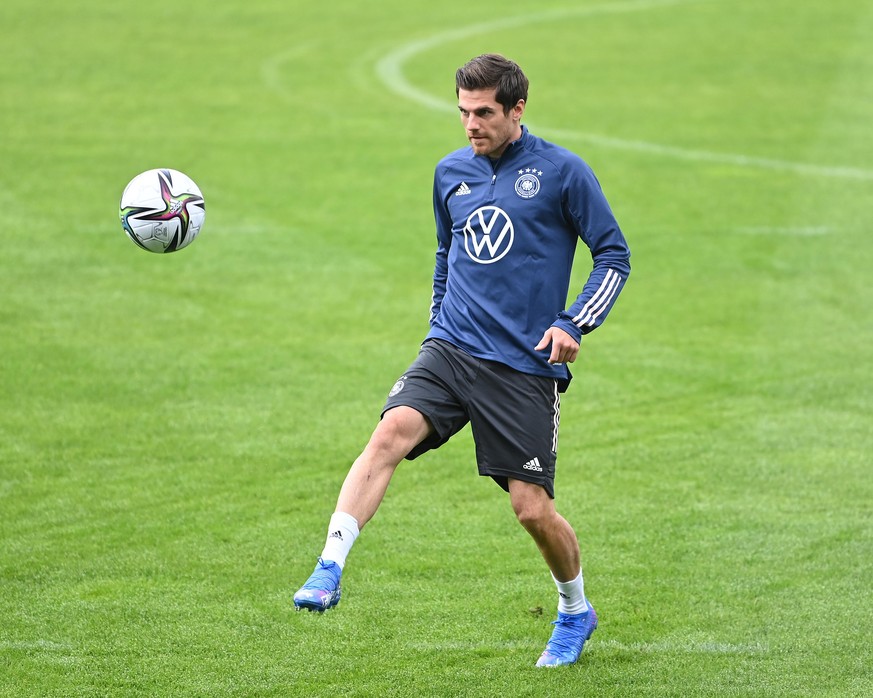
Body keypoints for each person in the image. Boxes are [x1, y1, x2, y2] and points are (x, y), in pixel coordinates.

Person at [293, 53, 631, 668]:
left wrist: (573, 322)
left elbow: (613, 256)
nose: (470, 125)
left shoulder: (562, 172)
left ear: (516, 109)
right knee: (389, 433)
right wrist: (437, 325)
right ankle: (328, 565)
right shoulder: (450, 172)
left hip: (523, 367)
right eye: (462, 112)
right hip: (451, 347)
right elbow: (446, 253)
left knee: (530, 508)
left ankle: (575, 609)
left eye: (483, 114)